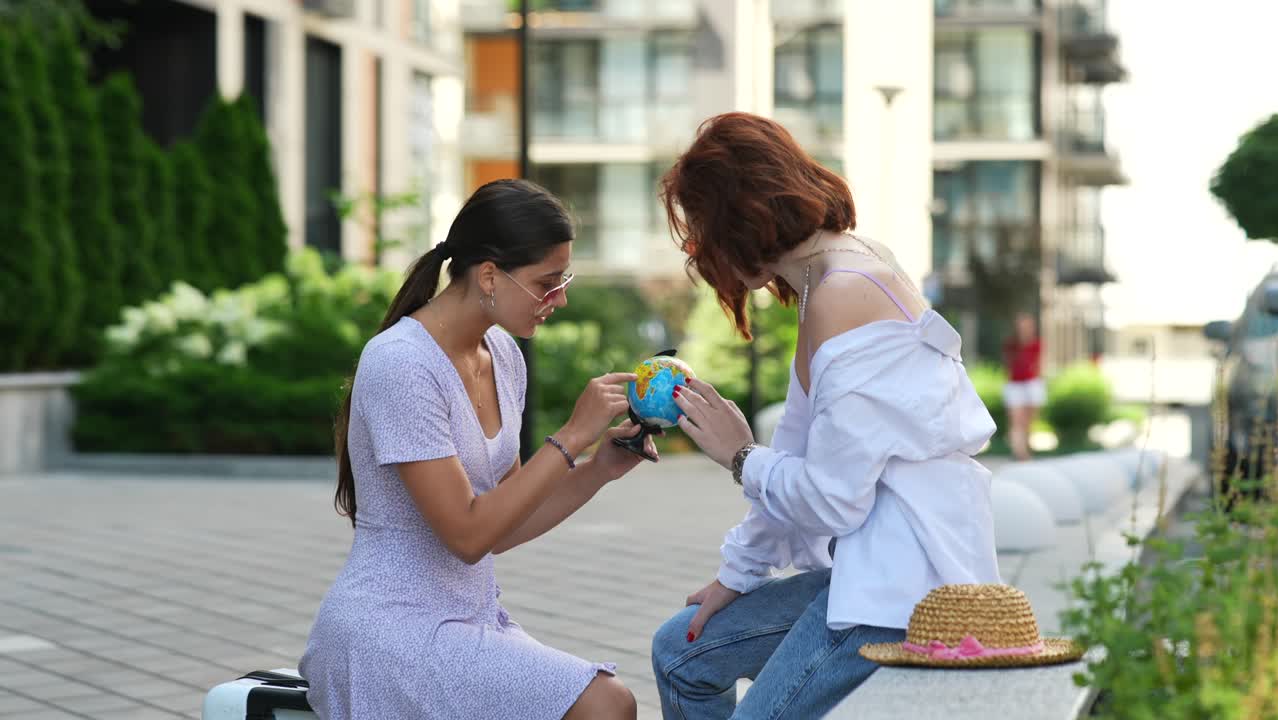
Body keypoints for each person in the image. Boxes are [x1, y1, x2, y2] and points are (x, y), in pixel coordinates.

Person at [649, 113, 1001, 719]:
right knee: (682, 652)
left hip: (903, 591)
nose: (705, 257)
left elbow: (835, 500)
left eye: (705, 234)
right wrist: (736, 576)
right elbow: (798, 445)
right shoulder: (828, 280)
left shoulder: (844, 291)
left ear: (742, 221)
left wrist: (739, 456)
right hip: (872, 573)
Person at [300, 179, 651, 720]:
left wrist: (598, 467)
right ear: (490, 274)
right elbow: (468, 535)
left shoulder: (502, 354)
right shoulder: (401, 363)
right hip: (388, 633)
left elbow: (504, 523)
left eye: (564, 279)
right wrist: (572, 435)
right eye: (547, 283)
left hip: (468, 619)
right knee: (606, 703)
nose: (560, 299)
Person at [1002, 311, 1044, 461]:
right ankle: (1020, 452)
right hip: (1015, 385)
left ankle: (1024, 445)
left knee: (1027, 421)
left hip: (1031, 384)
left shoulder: (1037, 343)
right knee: (1017, 420)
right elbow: (1008, 365)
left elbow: (1038, 365)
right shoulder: (1010, 344)